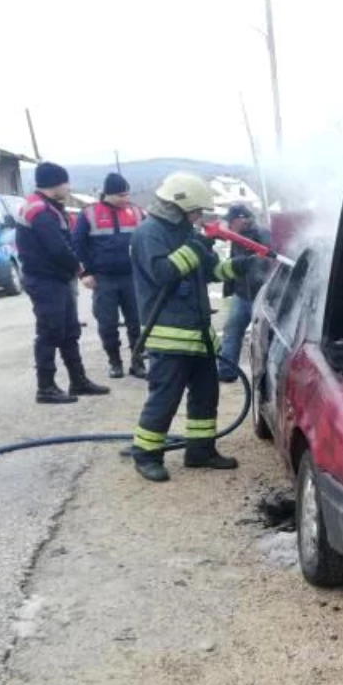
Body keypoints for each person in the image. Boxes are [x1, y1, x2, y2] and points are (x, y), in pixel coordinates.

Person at [129, 173, 251, 483]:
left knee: (205, 396)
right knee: (164, 399)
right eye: (196, 210)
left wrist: (239, 267)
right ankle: (146, 455)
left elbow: (209, 271)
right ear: (178, 205)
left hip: (199, 336)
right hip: (169, 336)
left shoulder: (186, 232)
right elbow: (164, 273)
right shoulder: (149, 233)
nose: (199, 217)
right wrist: (195, 246)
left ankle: (200, 451)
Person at [15, 162, 110, 404]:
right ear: (56, 183)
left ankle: (78, 381)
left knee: (69, 331)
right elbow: (58, 248)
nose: (68, 187)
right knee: (50, 332)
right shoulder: (41, 211)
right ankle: (45, 388)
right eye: (65, 182)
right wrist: (80, 268)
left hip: (55, 279)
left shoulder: (48, 206)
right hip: (46, 280)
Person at [74, 173, 147, 378]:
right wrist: (85, 273)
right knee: (107, 323)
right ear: (109, 194)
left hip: (131, 277)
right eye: (121, 195)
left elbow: (147, 241)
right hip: (103, 278)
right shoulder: (89, 214)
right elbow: (77, 244)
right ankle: (114, 362)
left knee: (136, 322)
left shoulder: (137, 212)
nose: (126, 198)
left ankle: (138, 362)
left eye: (127, 194)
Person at [217, 204, 271, 383]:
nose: (229, 226)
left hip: (261, 296)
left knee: (264, 337)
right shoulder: (236, 236)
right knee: (232, 330)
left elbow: (268, 262)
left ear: (242, 219)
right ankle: (226, 371)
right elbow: (233, 262)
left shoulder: (261, 234)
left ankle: (266, 374)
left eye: (231, 222)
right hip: (242, 294)